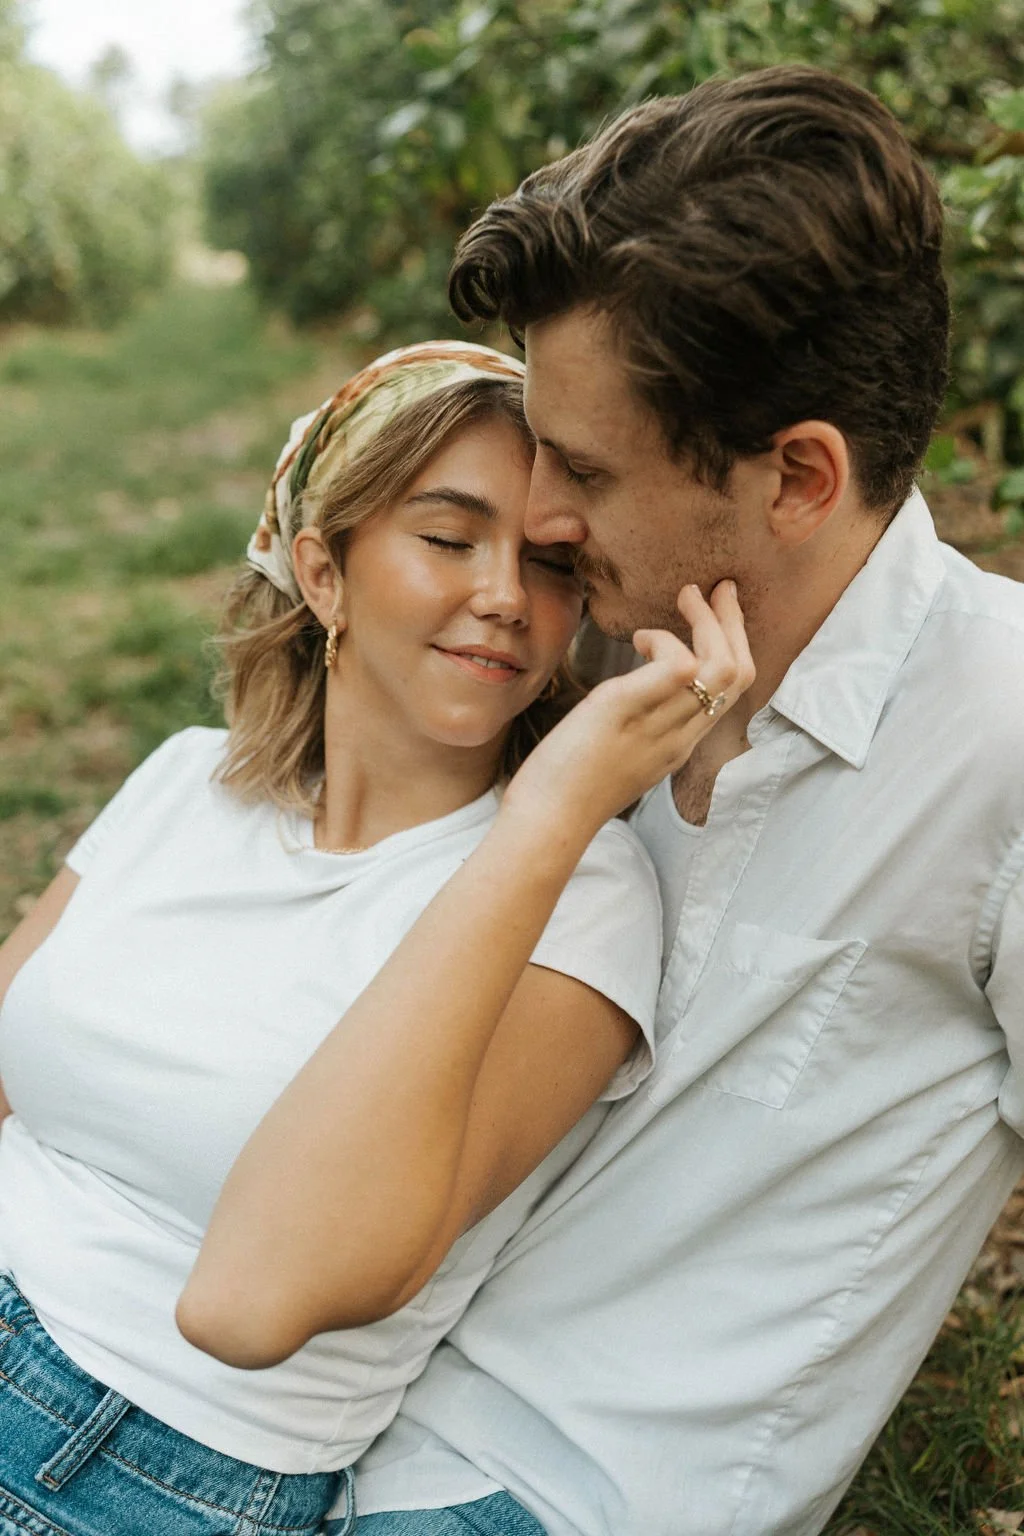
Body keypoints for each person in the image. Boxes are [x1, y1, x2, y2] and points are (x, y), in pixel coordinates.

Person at [344, 66, 1024, 1536]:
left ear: (799, 478)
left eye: (586, 470)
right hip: (315, 1403)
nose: (537, 516)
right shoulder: (568, 646)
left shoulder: (1002, 737)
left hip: (544, 1490)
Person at [0, 341, 751, 1536]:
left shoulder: (578, 894)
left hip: (113, 1457)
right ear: (324, 574)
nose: (505, 596)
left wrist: (550, 810)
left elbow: (256, 1302)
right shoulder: (188, 779)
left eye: (550, 563)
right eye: (449, 539)